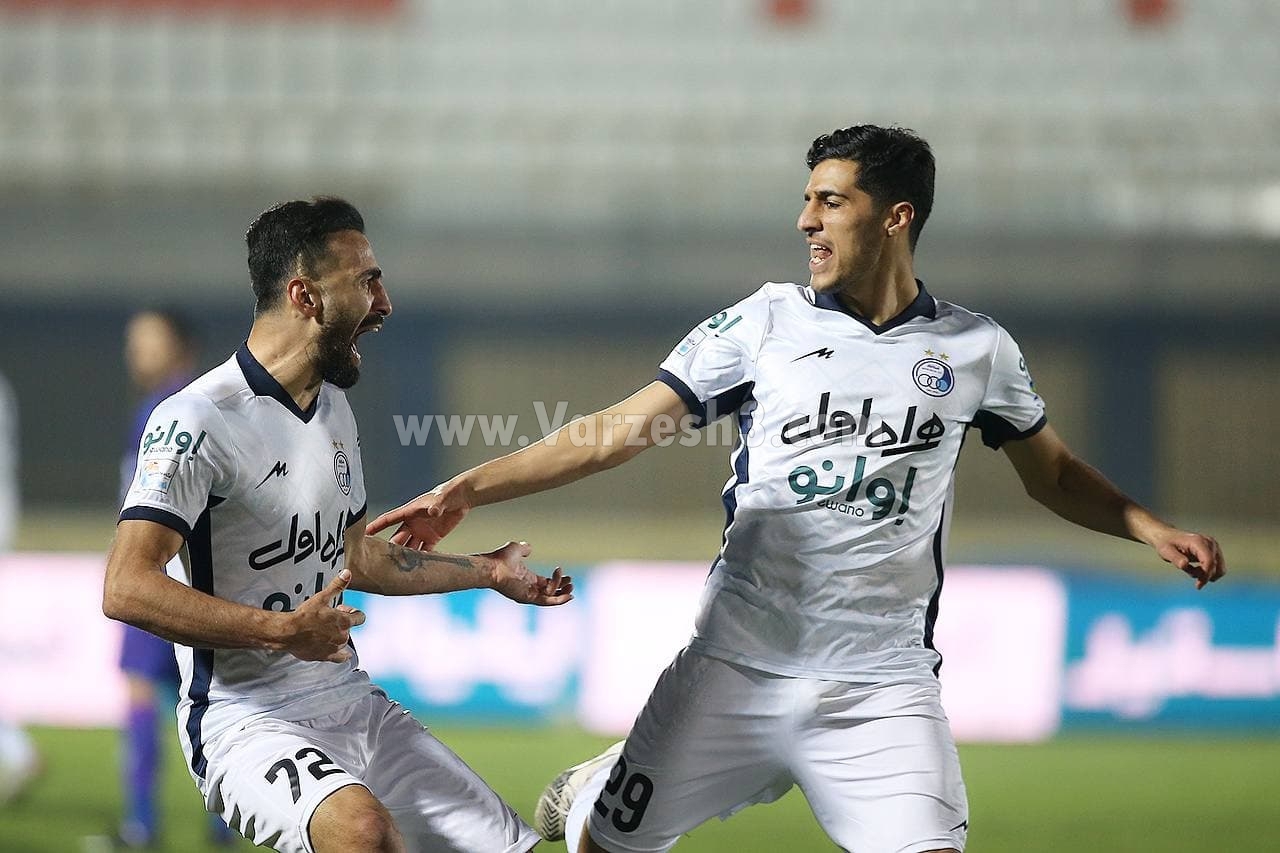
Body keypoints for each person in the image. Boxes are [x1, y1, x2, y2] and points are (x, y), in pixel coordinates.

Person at [366, 125, 1226, 853]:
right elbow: (619, 428)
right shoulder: (764, 321)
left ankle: (610, 781)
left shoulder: (976, 349)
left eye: (830, 202)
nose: (806, 220)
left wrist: (1149, 527)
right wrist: (468, 487)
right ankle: (601, 790)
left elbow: (1055, 474)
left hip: (880, 689)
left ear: (896, 217)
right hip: (734, 668)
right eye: (807, 200)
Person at [103, 196, 573, 853]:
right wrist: (278, 630)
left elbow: (358, 557)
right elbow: (125, 586)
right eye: (367, 282)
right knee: (362, 831)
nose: (384, 304)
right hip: (246, 721)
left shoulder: (333, 411)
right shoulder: (197, 419)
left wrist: (488, 571)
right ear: (305, 295)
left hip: (351, 701)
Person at [115, 309, 235, 847]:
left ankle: (141, 824)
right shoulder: (204, 404)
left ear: (180, 346)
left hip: (161, 575)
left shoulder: (174, 410)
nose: (136, 351)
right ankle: (223, 825)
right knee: (214, 697)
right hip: (198, 579)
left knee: (144, 692)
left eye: (148, 340)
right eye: (134, 341)